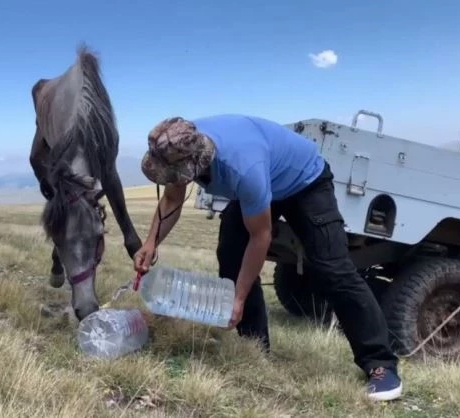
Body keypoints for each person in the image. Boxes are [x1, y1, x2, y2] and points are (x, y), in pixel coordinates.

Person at [133, 114, 402, 401]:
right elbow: (173, 198)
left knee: (332, 270)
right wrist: (151, 242)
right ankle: (255, 346)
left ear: (197, 163)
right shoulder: (175, 145)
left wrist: (237, 298)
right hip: (266, 177)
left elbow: (260, 237)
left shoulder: (242, 167)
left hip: (305, 181)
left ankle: (381, 365)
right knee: (230, 256)